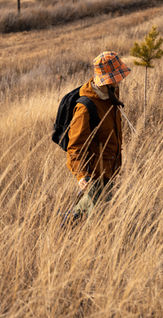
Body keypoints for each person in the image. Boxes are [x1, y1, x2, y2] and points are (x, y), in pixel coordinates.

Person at [66, 51, 130, 219]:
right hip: (94, 173)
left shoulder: (112, 93)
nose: (121, 79)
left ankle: (69, 220)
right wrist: (81, 176)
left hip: (110, 167)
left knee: (93, 207)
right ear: (108, 79)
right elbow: (74, 146)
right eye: (118, 76)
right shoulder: (85, 107)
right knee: (97, 221)